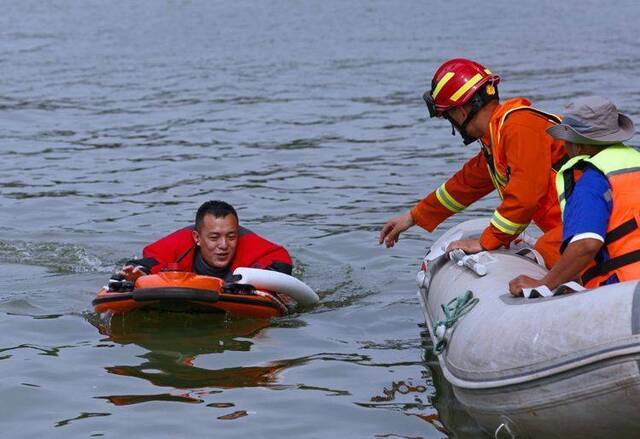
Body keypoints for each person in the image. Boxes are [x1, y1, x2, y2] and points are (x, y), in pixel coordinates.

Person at [379, 58, 568, 267]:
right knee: (548, 251)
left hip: (589, 227)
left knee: (548, 252)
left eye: (449, 116)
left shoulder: (519, 128)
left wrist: (486, 241)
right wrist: (413, 217)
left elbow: (524, 199)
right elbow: (464, 185)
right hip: (573, 227)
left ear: (460, 112)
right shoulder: (497, 140)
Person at [509, 96, 639, 295]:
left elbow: (587, 244)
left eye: (566, 141)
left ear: (578, 146)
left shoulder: (593, 181)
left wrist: (544, 284)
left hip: (624, 292)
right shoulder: (634, 162)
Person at [118, 200, 292, 282]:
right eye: (214, 237)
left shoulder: (249, 244)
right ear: (197, 238)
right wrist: (140, 277)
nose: (224, 245)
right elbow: (142, 265)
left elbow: (281, 263)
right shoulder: (177, 246)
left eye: (231, 236)